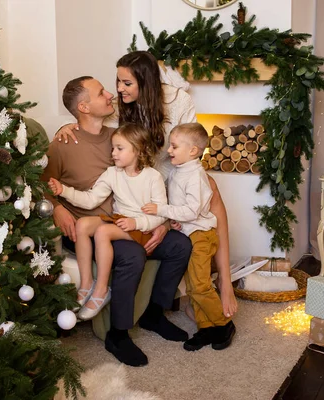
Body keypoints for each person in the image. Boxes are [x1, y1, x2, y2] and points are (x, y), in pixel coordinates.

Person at [55, 51, 238, 320]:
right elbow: (89, 118)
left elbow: (189, 144)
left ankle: (224, 280)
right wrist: (66, 126)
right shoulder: (119, 106)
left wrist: (170, 199)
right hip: (141, 179)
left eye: (126, 83)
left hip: (170, 170)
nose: (118, 89)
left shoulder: (178, 101)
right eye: (117, 81)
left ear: (147, 82)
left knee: (210, 190)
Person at [42, 76, 192, 367]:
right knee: (133, 255)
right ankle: (118, 334)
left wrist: (159, 223)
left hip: (129, 221)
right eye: (101, 93)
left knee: (180, 245)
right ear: (84, 107)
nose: (110, 94)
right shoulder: (63, 143)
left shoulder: (119, 137)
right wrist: (56, 206)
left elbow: (148, 177)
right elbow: (40, 184)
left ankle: (153, 314)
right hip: (88, 227)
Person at [48, 123, 167, 321]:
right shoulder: (113, 174)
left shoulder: (153, 177)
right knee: (83, 224)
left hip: (142, 226)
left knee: (103, 232)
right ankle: (87, 284)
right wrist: (64, 191)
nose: (113, 153)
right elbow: (91, 199)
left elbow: (161, 213)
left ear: (137, 150)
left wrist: (136, 223)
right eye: (113, 148)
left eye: (120, 149)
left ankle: (102, 290)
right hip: (120, 221)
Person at [142, 123, 236, 351]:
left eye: (174, 146)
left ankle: (224, 324)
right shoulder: (179, 170)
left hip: (201, 237)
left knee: (200, 285)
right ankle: (206, 328)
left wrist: (161, 210)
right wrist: (176, 221)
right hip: (190, 231)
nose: (169, 151)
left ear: (193, 151)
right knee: (195, 285)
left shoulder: (195, 176)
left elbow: (193, 211)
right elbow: (185, 209)